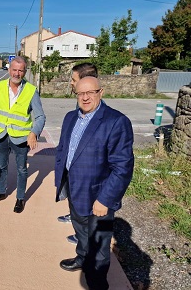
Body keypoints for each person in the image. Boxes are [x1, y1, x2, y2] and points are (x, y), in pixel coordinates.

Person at [54, 76, 134, 289]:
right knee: (79, 228)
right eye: (80, 93)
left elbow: (123, 167)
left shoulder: (116, 121)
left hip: (99, 196)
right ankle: (81, 257)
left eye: (91, 92)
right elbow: (64, 149)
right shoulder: (71, 117)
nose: (85, 97)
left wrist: (105, 200)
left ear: (101, 92)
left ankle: (98, 283)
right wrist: (61, 180)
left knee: (99, 244)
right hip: (74, 188)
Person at [0, 56, 46, 213]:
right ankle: (1, 192)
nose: (17, 73)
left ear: (25, 72)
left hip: (20, 137)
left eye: (21, 70)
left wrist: (34, 132)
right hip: (1, 134)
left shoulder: (31, 91)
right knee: (1, 165)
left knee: (21, 169)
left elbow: (40, 117)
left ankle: (20, 198)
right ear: (9, 69)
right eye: (14, 69)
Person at [58, 62, 99, 246]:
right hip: (74, 175)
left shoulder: (106, 118)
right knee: (76, 202)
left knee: (86, 210)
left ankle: (85, 238)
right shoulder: (75, 112)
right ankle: (77, 222)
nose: (72, 84)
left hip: (89, 181)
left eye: (74, 80)